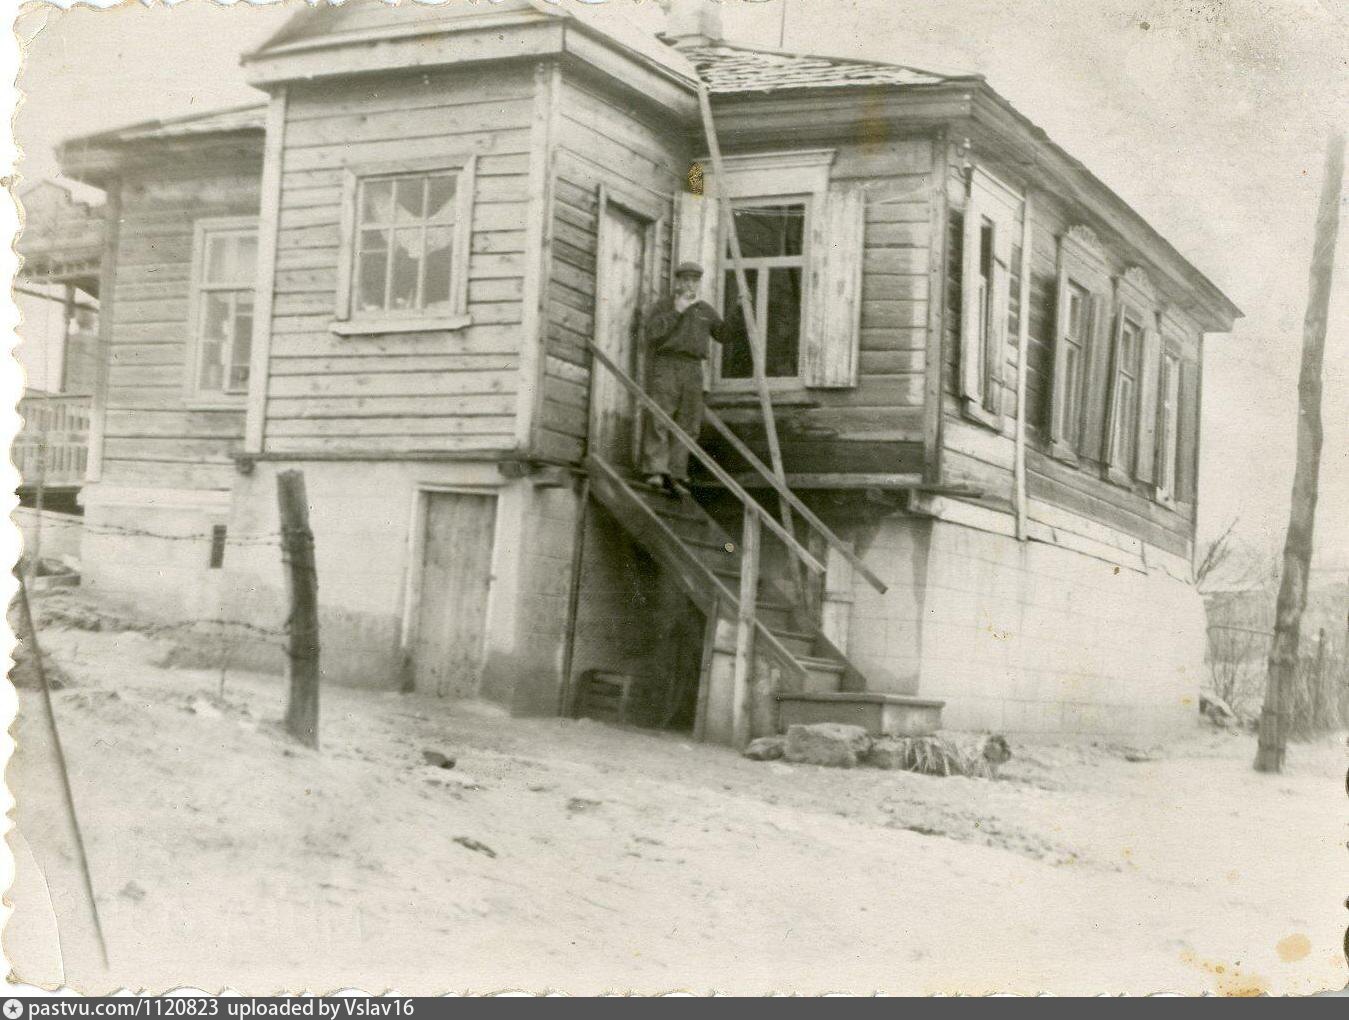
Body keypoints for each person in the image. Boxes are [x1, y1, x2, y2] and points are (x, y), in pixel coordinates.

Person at [639, 261, 725, 496]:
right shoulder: (664, 306)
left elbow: (724, 334)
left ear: (699, 283)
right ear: (677, 282)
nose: (690, 284)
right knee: (660, 416)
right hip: (667, 363)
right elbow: (652, 334)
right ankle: (656, 470)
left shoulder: (704, 310)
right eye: (685, 279)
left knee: (688, 423)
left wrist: (741, 312)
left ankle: (676, 475)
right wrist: (676, 311)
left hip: (693, 368)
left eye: (694, 280)